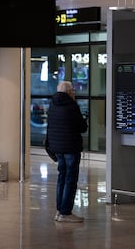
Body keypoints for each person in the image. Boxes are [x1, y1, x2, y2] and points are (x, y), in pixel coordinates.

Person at [46, 81, 88, 223]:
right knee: (70, 179)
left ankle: (59, 210)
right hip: (71, 147)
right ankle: (66, 212)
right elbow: (82, 127)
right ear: (69, 92)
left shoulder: (53, 104)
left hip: (57, 148)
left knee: (62, 178)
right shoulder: (72, 106)